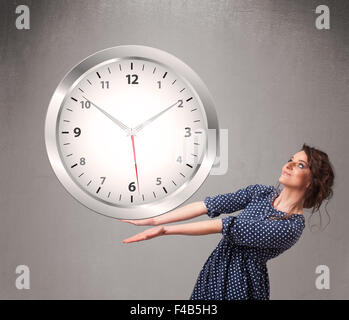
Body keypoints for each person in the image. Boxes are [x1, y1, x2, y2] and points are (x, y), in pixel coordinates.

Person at [119, 143, 335, 300]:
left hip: (242, 285)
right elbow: (210, 205)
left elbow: (225, 226)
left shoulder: (291, 226)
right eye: (290, 159)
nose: (288, 165)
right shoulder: (262, 193)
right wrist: (157, 219)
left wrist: (165, 230)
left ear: (311, 182)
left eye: (300, 165)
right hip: (215, 270)